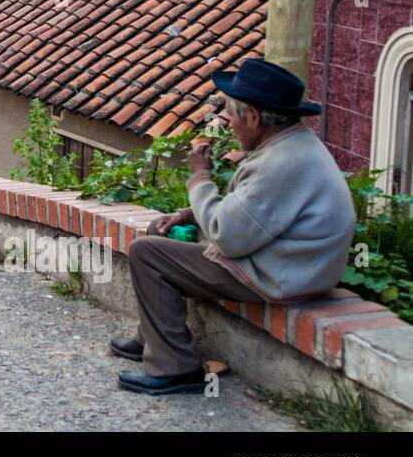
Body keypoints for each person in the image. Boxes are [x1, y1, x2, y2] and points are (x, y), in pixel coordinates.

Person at [111, 58, 355, 395]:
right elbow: (250, 213)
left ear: (253, 117)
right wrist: (185, 216)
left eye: (230, 115)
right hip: (289, 264)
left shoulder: (280, 163)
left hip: (280, 275)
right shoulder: (293, 145)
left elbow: (228, 237)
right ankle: (152, 339)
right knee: (162, 236)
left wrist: (199, 178)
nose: (226, 125)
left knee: (147, 253)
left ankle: (176, 369)